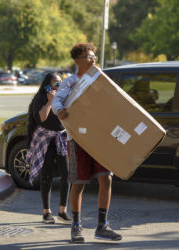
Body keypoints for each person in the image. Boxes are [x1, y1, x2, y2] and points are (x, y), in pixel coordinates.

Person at [52, 42, 122, 243]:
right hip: (78, 139)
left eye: (94, 57)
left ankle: (102, 225)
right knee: (79, 183)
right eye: (89, 57)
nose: (93, 60)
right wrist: (60, 111)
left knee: (106, 178)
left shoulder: (100, 80)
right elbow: (57, 101)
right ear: (78, 60)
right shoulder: (71, 82)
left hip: (100, 138)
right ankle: (76, 226)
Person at [26, 72, 72, 224]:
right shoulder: (40, 98)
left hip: (60, 137)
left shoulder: (63, 97)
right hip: (44, 138)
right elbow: (41, 118)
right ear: (48, 83)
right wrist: (49, 102)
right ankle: (47, 212)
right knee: (47, 174)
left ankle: (63, 210)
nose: (59, 85)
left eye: (60, 82)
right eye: (56, 82)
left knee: (66, 174)